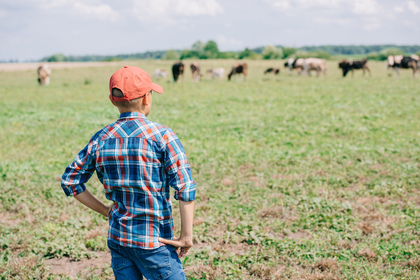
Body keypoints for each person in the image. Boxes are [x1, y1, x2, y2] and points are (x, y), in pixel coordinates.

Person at [61, 65, 196, 279]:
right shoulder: (163, 136)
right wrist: (186, 236)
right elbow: (185, 187)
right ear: (146, 99)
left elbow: (70, 181)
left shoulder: (101, 138)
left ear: (113, 100)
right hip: (155, 242)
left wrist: (106, 211)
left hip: (119, 240)